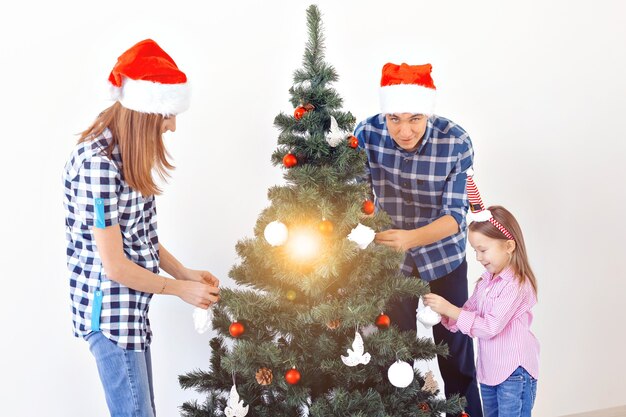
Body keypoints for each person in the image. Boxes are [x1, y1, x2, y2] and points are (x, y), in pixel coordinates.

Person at [63, 39, 220, 417]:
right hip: (110, 316)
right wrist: (180, 289)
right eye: (168, 117)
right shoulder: (97, 164)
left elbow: (141, 236)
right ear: (147, 113)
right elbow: (115, 266)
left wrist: (185, 273)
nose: (173, 126)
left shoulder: (130, 155)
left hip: (133, 310)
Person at [355, 62, 482, 416]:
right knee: (396, 356)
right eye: (395, 118)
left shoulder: (456, 141)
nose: (404, 130)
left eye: (414, 118)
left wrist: (411, 238)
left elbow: (456, 217)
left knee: (456, 354)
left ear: (427, 112)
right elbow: (357, 199)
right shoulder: (366, 133)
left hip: (443, 260)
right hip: (391, 265)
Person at [424, 198, 539, 417]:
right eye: (474, 250)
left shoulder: (516, 285)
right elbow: (469, 312)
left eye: (483, 250)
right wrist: (444, 315)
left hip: (514, 372)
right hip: (489, 372)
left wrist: (451, 310)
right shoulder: (486, 282)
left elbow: (489, 327)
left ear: (509, 246)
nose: (477, 257)